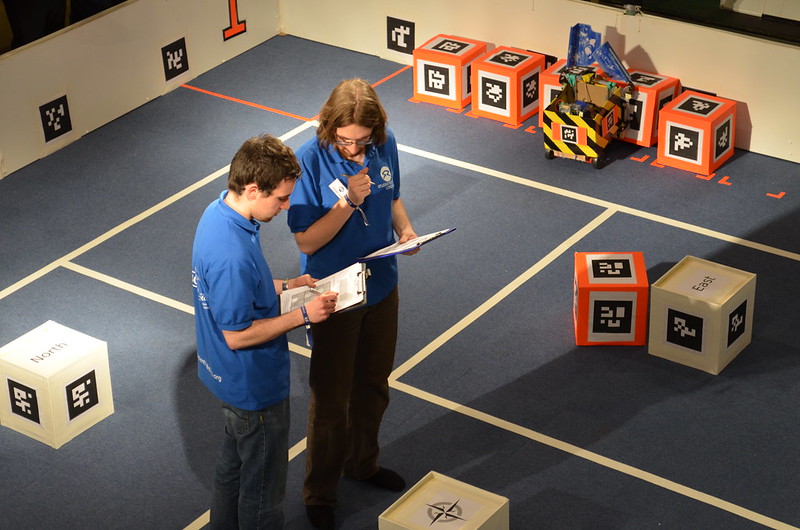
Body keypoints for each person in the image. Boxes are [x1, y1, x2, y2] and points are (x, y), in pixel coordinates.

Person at [287, 78, 418, 529]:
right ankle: (319, 493)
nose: (353, 147)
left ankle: (362, 463)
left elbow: (394, 196)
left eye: (362, 140)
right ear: (330, 128)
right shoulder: (308, 158)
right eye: (345, 139)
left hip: (382, 283)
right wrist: (347, 203)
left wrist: (406, 231)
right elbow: (306, 237)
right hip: (334, 293)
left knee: (374, 384)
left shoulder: (387, 143)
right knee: (330, 400)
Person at [192, 133, 339, 529]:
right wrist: (303, 315)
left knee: (232, 471)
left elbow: (247, 289)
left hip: (225, 379)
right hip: (253, 389)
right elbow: (237, 334)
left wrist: (289, 286)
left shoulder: (218, 212)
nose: (286, 206)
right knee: (263, 496)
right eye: (280, 198)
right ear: (253, 188)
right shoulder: (232, 254)